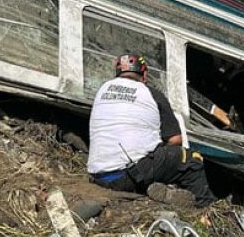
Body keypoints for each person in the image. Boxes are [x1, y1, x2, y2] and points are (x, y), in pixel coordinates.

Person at [87, 54, 216, 206]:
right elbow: (175, 139)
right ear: (145, 75)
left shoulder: (102, 90)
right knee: (191, 159)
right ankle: (205, 209)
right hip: (126, 176)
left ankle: (161, 191)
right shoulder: (151, 94)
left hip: (98, 175)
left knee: (149, 157)